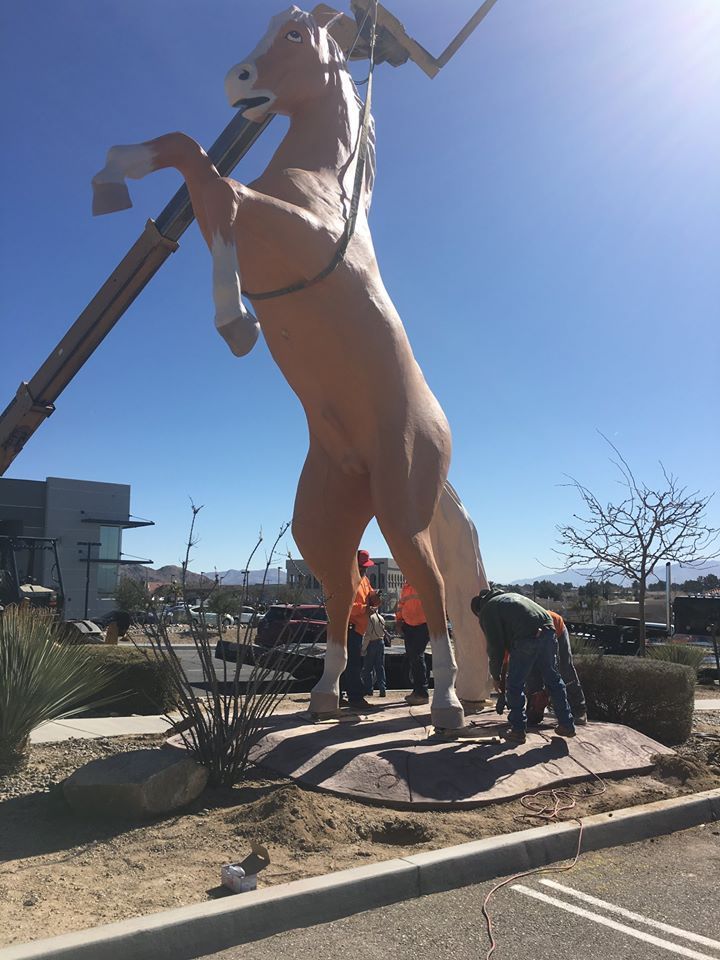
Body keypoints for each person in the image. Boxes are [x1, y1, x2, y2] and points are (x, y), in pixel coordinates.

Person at [470, 588, 576, 745]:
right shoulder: (511, 597)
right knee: (553, 679)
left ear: (478, 610)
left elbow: (495, 647)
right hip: (549, 631)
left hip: (527, 637)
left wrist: (496, 676)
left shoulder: (488, 610)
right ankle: (567, 724)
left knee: (515, 685)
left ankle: (518, 730)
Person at [527, 610, 587, 725]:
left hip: (556, 628)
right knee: (532, 675)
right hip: (535, 635)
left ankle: (579, 710)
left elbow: (550, 668)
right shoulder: (510, 639)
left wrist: (546, 691)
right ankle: (533, 711)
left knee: (564, 669)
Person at [341, 550, 381, 709]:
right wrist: (365, 609)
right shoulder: (348, 580)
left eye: (365, 567)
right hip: (350, 627)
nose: (364, 570)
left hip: (358, 628)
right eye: (361, 567)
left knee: (350, 662)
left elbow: (371, 596)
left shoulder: (364, 580)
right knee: (352, 663)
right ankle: (355, 697)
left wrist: (375, 598)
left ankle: (342, 694)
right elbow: (346, 605)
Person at [396, 581, 430, 706]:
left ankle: (422, 693)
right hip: (408, 626)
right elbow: (401, 605)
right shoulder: (406, 587)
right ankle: (417, 691)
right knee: (413, 658)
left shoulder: (423, 583)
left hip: (423, 625)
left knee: (417, 656)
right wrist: (399, 620)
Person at [361, 609, 387, 697]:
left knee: (368, 669)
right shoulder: (381, 618)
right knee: (380, 667)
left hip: (372, 643)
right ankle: (382, 689)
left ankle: (369, 690)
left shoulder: (370, 618)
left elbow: (368, 635)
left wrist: (363, 648)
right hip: (381, 642)